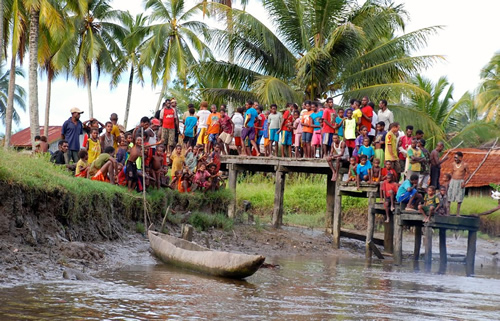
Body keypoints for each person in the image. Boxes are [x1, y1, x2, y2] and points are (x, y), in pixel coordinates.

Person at [448, 151, 469, 216]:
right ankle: (448, 213)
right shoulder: (453, 164)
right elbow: (451, 173)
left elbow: (469, 174)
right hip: (453, 181)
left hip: (460, 182)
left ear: (460, 157)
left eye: (456, 158)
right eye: (454, 158)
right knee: (449, 196)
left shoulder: (465, 165)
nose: (455, 159)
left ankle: (457, 213)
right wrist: (449, 181)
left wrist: (464, 182)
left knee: (459, 198)